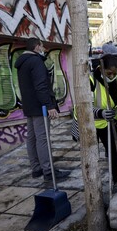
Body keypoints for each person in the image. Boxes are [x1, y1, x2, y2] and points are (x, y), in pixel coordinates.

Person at [15, 37, 70, 181]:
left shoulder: (22, 63)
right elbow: (41, 86)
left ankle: (36, 169)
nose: (44, 49)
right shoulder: (36, 62)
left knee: (32, 138)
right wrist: (49, 105)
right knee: (42, 138)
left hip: (29, 106)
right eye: (42, 46)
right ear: (36, 47)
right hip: (40, 106)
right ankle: (49, 171)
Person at [88, 43, 117, 185]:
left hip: (111, 122)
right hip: (92, 125)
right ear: (101, 69)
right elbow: (82, 107)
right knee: (92, 158)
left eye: (114, 73)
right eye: (108, 73)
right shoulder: (91, 80)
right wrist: (100, 113)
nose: (112, 76)